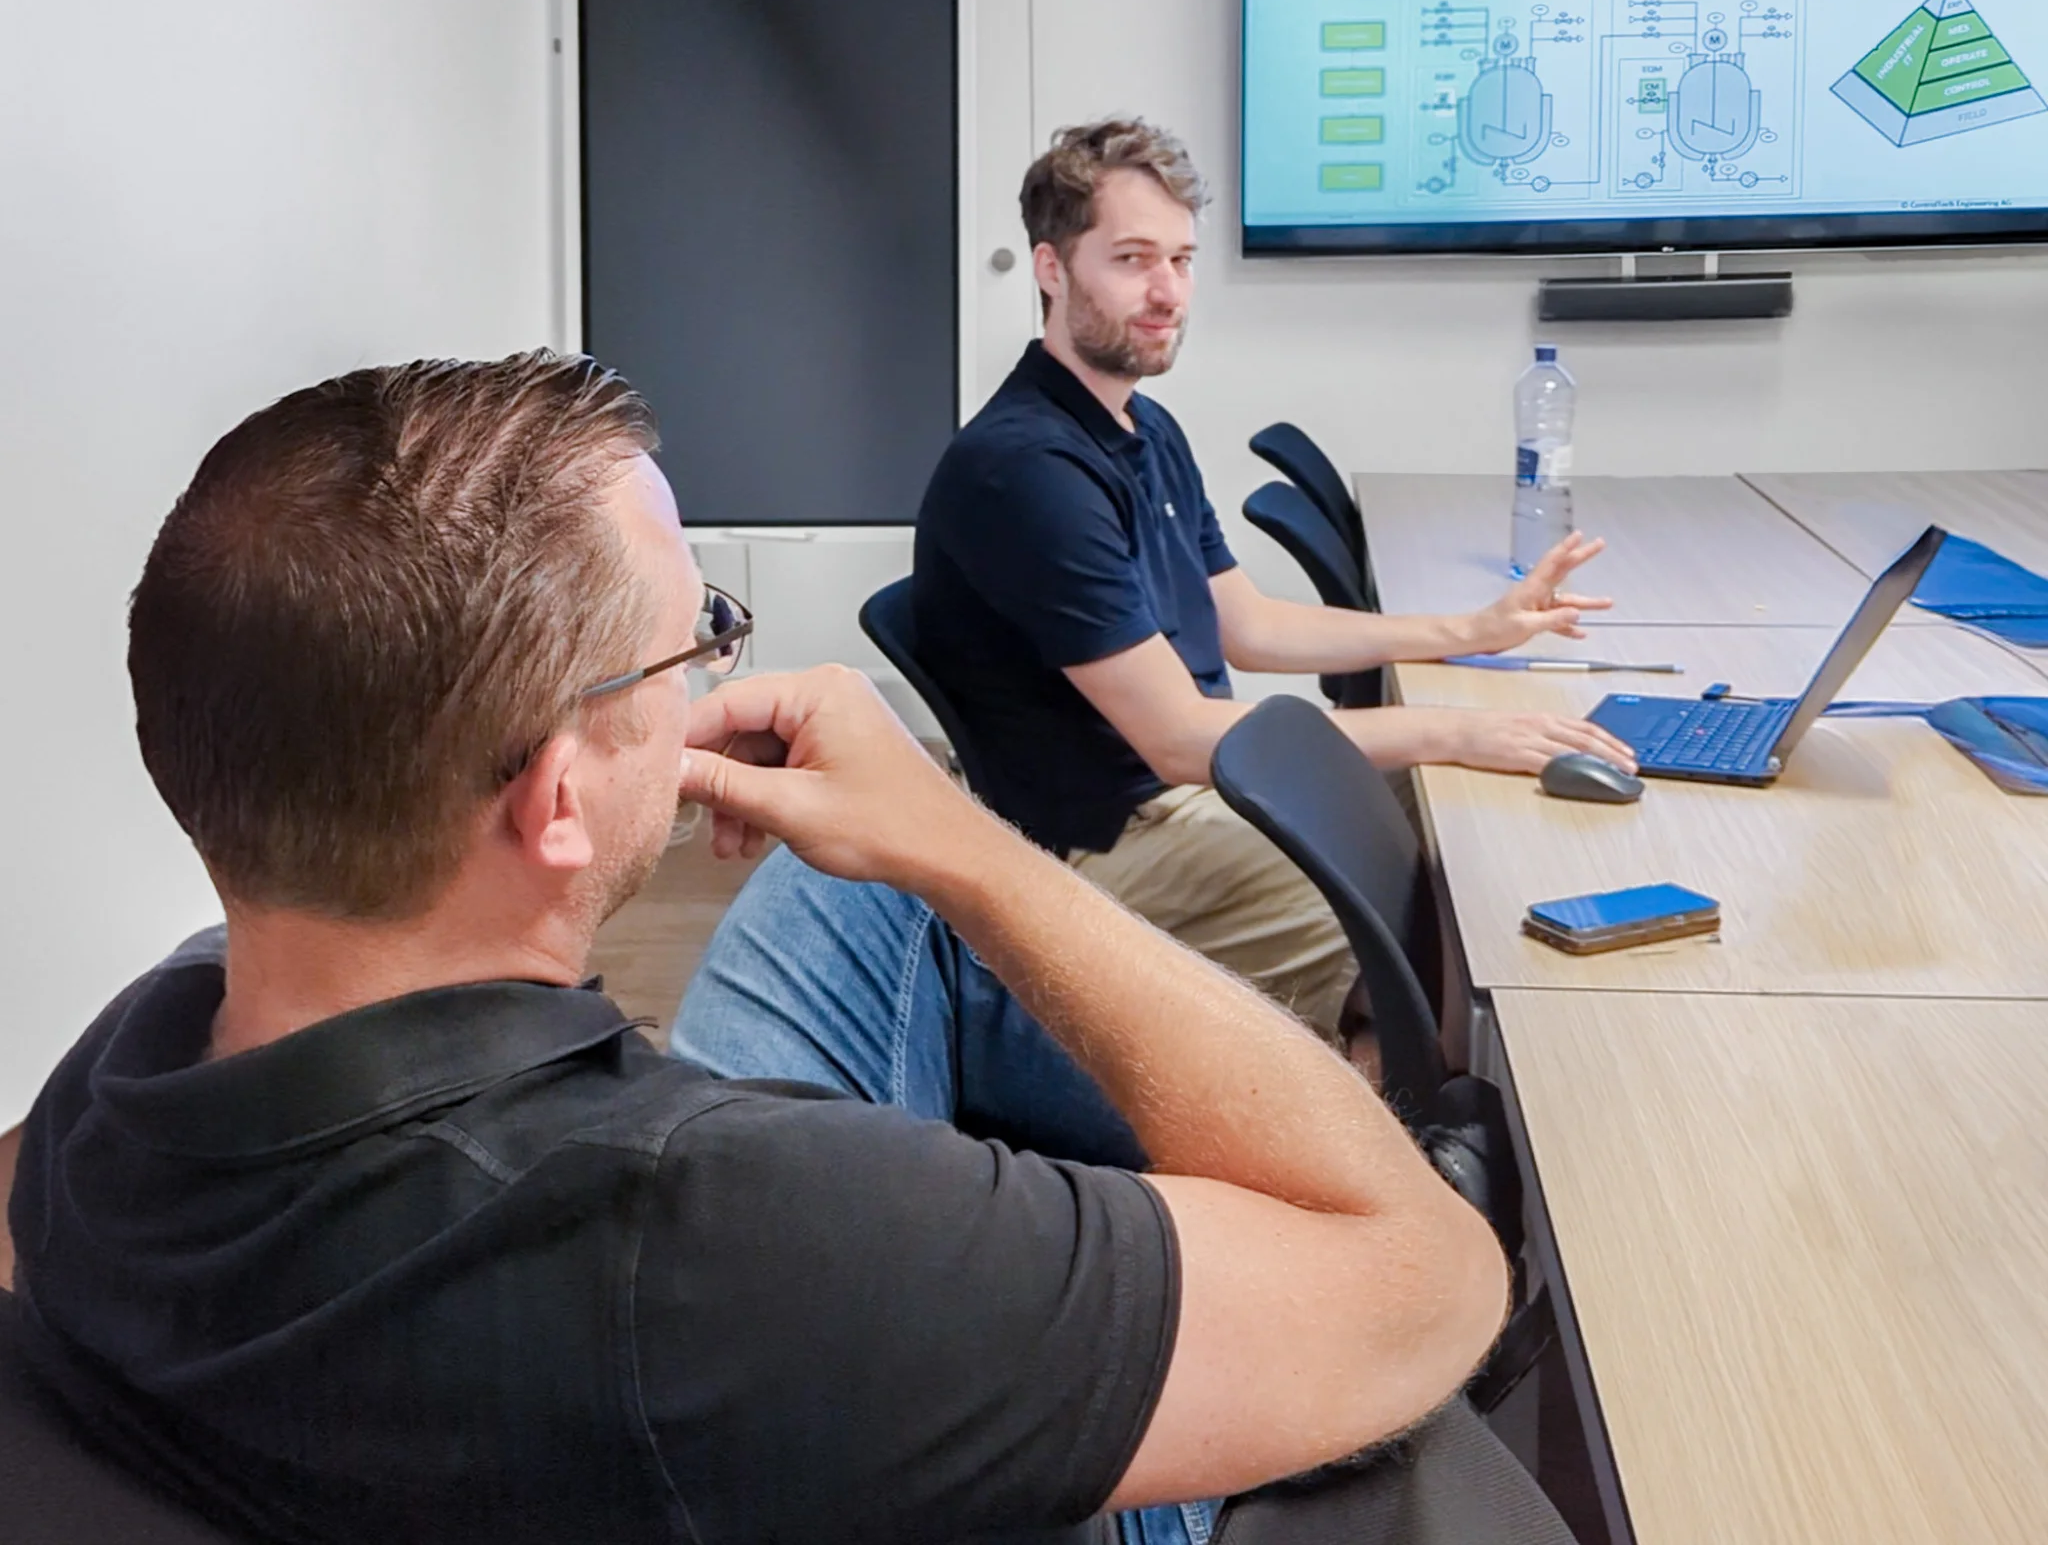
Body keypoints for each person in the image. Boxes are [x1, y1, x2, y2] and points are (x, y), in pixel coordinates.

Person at [9, 353, 1562, 1545]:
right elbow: (1427, 1288)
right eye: (701, 638)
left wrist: (899, 848)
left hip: (617, 1340)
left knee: (854, 893)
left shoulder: (139, 1055)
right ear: (558, 798)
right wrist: (962, 844)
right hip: (794, 1372)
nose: (717, 674)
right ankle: (1262, 1181)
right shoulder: (711, 1236)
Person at [913, 118, 1634, 1034]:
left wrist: (1469, 632)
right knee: (1422, 907)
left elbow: (1245, 625)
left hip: (1182, 792)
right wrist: (1452, 728)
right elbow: (1177, 740)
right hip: (1110, 841)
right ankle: (1411, 1128)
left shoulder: (1142, 427)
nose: (1167, 291)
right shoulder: (1027, 471)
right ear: (1052, 270)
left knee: (1454, 824)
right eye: (1132, 259)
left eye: (1180, 260)